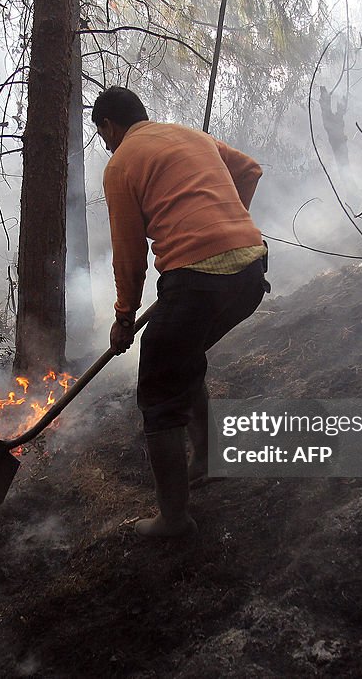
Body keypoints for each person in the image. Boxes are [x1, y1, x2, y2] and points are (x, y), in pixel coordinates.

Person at [91, 86, 269, 538]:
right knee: (180, 360)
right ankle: (209, 457)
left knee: (158, 392)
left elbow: (128, 253)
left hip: (198, 281)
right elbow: (249, 169)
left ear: (110, 125)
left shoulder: (121, 164)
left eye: (104, 136)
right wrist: (225, 227)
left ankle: (173, 520)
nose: (107, 146)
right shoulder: (190, 135)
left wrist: (124, 315)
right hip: (250, 269)